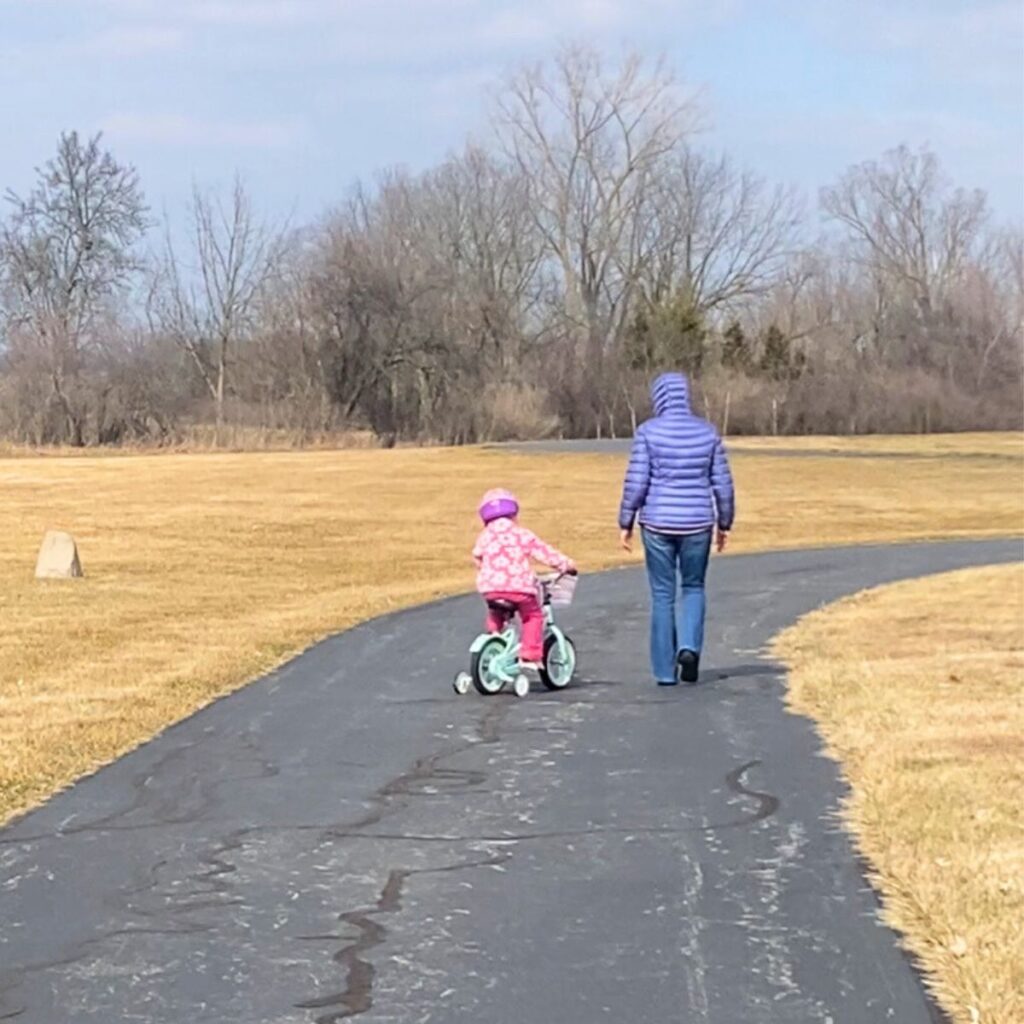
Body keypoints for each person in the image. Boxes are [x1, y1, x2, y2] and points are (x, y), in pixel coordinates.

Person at [617, 372, 735, 685]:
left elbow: (636, 482)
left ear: (659, 398)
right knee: (694, 587)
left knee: (662, 594)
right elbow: (722, 484)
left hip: (657, 523)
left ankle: (664, 671)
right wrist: (725, 523)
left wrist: (625, 522)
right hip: (698, 523)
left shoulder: (647, 432)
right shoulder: (707, 432)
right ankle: (689, 647)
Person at [473, 488, 575, 672]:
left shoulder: (485, 536)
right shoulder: (522, 534)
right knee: (532, 616)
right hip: (519, 589)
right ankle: (530, 655)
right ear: (513, 513)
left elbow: (477, 557)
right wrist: (565, 565)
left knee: (496, 608)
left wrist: (487, 572)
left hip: (490, 588)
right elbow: (545, 553)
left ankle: (493, 635)